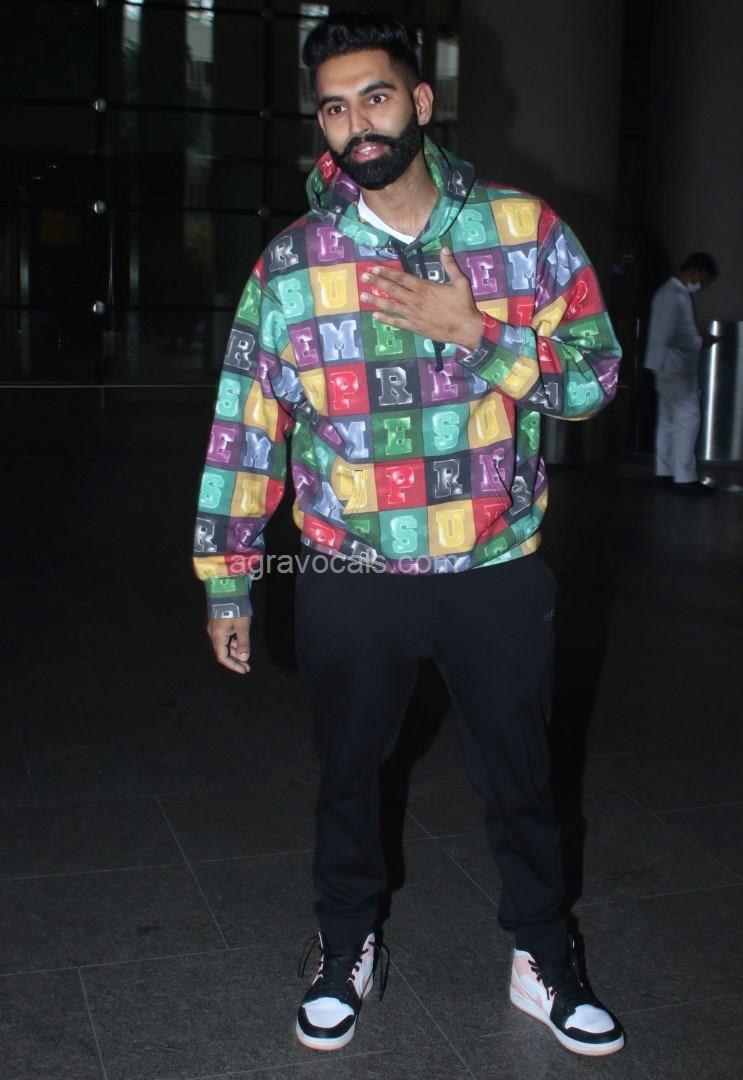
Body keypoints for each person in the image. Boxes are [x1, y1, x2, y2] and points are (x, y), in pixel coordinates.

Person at [193, 13, 625, 1058]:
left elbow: (595, 380)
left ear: (421, 102)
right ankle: (345, 943)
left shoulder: (521, 231)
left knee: (521, 781)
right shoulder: (292, 265)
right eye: (335, 108)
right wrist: (228, 579)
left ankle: (542, 955)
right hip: (351, 570)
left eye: (376, 97)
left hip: (494, 566)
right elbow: (245, 426)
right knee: (349, 775)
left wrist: (476, 334)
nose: (358, 124)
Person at [644, 252, 720, 494]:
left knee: (668, 420)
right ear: (694, 273)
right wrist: (700, 341)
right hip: (677, 367)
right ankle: (685, 477)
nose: (703, 285)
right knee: (688, 418)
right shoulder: (677, 296)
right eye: (704, 279)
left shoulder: (664, 292)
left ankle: (664, 471)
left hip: (662, 365)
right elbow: (673, 336)